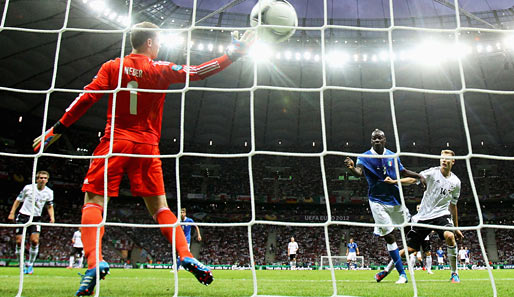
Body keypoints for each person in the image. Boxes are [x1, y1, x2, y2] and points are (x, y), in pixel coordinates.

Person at [32, 21, 254, 296]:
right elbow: (198, 72)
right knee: (160, 208)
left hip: (115, 143)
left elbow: (87, 97)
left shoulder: (112, 67)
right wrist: (234, 53)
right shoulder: (160, 69)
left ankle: (94, 263)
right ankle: (185, 255)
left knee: (94, 202)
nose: (160, 45)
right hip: (148, 146)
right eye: (158, 41)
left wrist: (57, 129)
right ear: (149, 42)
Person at [344, 129, 424, 284]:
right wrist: (351, 168)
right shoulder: (364, 156)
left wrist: (419, 176)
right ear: (371, 141)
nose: (377, 140)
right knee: (389, 235)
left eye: (380, 138)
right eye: (374, 138)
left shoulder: (392, 155)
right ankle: (402, 274)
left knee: (411, 233)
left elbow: (403, 171)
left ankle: (387, 270)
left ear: (385, 140)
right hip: (377, 202)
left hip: (396, 201)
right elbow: (359, 172)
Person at [376, 149, 463, 283]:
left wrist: (456, 227)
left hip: (441, 215)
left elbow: (453, 205)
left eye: (447, 159)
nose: (444, 161)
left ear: (453, 161)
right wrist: (394, 182)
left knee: (450, 236)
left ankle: (454, 273)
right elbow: (412, 179)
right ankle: (386, 270)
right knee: (409, 250)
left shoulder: (456, 182)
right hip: (423, 217)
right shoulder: (432, 173)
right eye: (442, 158)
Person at [8, 171, 55, 275]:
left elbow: (49, 206)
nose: (43, 180)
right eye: (41, 178)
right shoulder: (28, 188)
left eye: (45, 178)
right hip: (23, 216)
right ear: (37, 179)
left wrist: (52, 217)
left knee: (34, 241)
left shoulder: (49, 192)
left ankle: (30, 264)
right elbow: (18, 200)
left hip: (36, 218)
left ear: (47, 180)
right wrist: (12, 213)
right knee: (19, 241)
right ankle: (21, 264)